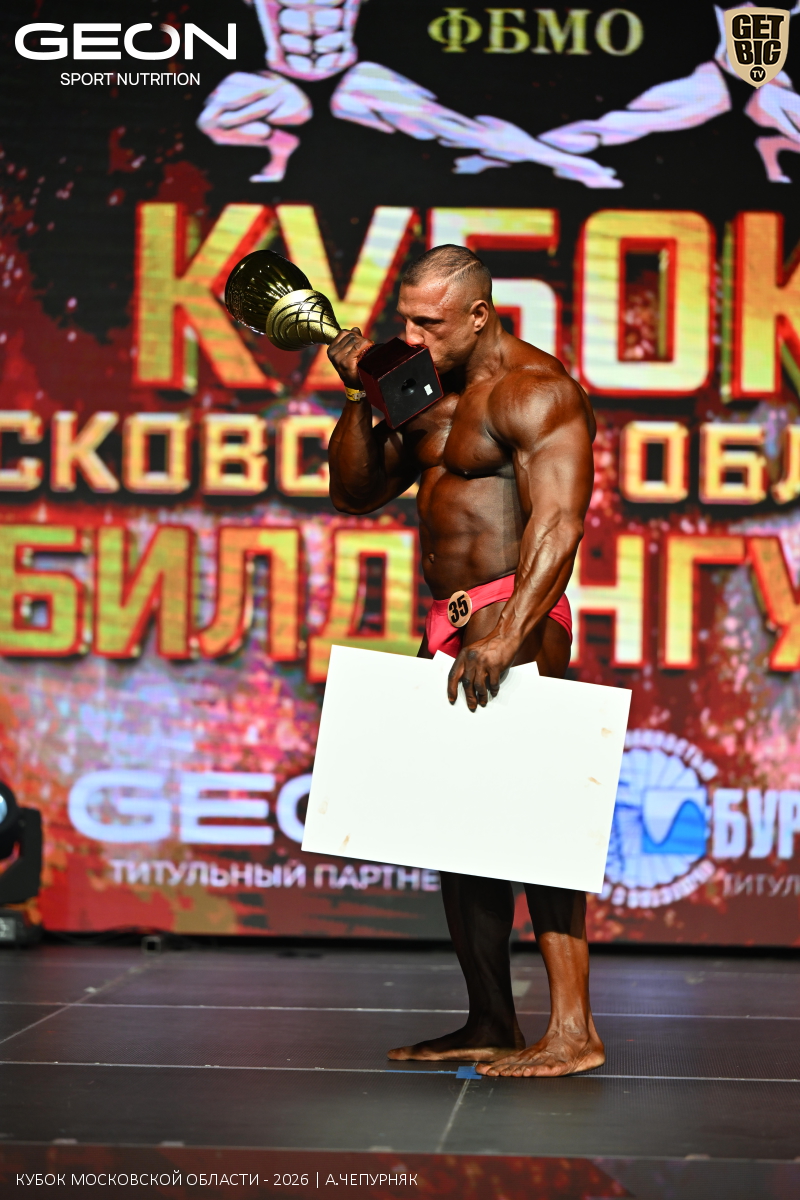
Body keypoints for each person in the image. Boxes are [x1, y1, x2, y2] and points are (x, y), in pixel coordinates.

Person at [325, 244, 602, 1078]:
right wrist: (358, 394)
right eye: (405, 318)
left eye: (429, 323)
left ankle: (574, 1031)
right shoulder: (417, 387)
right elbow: (354, 492)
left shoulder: (535, 390)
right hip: (449, 619)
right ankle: (491, 1018)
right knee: (460, 826)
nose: (409, 335)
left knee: (536, 821)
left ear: (479, 315)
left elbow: (559, 521)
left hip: (516, 612)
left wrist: (511, 631)